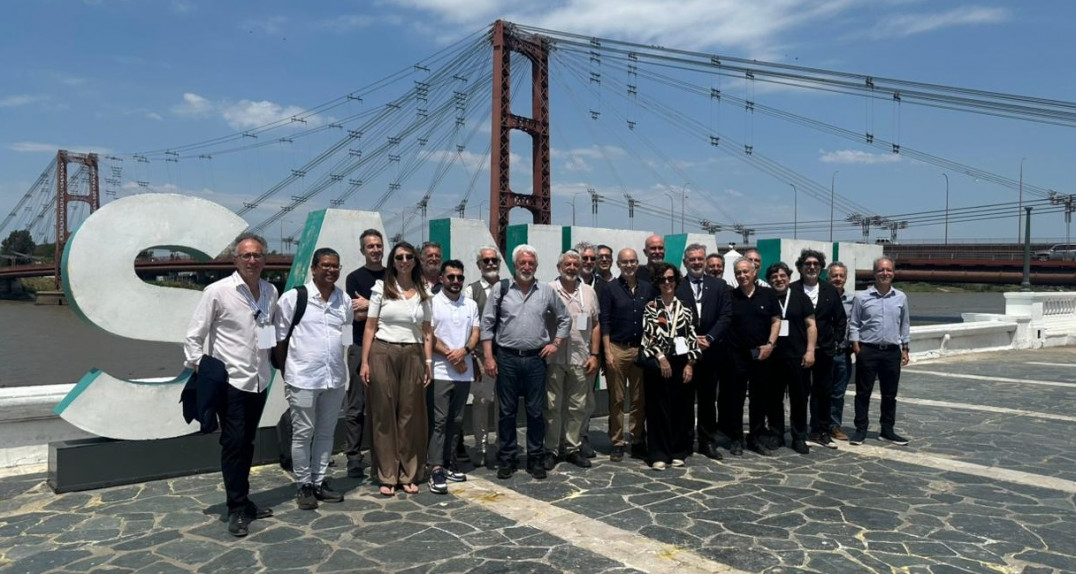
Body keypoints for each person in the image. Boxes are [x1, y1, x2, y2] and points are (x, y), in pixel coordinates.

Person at [183, 232, 278, 537]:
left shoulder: (270, 291)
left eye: (257, 255)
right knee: (233, 444)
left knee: (247, 443)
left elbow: (267, 331)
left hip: (259, 379)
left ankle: (244, 498)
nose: (252, 260)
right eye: (246, 255)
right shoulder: (217, 291)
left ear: (265, 259)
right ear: (235, 260)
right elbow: (194, 336)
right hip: (232, 382)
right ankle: (235, 507)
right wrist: (205, 369)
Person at [481, 244, 572, 480]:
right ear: (515, 265)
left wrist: (556, 344)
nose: (527, 266)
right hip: (507, 358)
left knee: (535, 411)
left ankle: (535, 458)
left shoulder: (546, 291)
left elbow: (565, 318)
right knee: (506, 411)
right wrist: (489, 357)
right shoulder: (500, 289)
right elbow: (487, 324)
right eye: (523, 262)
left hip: (535, 359)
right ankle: (507, 458)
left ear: (536, 266)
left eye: (531, 263)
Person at [275, 248, 352, 509]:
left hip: (334, 378)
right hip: (303, 378)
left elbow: (346, 336)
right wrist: (284, 369)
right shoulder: (294, 298)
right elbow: (279, 337)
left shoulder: (344, 300)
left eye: (335, 266)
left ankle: (319, 481)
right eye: (326, 265)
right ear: (314, 268)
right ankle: (304, 484)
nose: (331, 270)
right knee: (302, 433)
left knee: (326, 432)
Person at [360, 241, 433, 496]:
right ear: (393, 261)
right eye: (399, 257)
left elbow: (427, 331)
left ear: (415, 261)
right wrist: (365, 361)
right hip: (383, 351)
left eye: (409, 257)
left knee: (410, 415)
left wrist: (428, 363)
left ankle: (408, 473)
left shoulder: (424, 290)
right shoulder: (381, 288)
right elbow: (370, 327)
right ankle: (387, 473)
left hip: (413, 353)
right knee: (384, 413)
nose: (404, 261)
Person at [640, 262, 702, 470]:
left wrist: (690, 364)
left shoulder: (685, 307)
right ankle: (659, 453)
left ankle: (677, 451)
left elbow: (692, 337)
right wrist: (661, 358)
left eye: (670, 279)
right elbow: (648, 336)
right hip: (659, 362)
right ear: (657, 283)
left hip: (681, 362)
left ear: (676, 281)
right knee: (658, 409)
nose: (667, 283)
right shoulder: (651, 307)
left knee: (680, 409)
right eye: (663, 279)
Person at [543, 250, 601, 470]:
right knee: (552, 406)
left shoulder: (588, 292)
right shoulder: (548, 290)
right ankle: (552, 449)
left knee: (577, 406)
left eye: (575, 264)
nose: (572, 268)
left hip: (580, 357)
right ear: (559, 267)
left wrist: (594, 355)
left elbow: (595, 324)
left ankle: (572, 448)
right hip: (553, 358)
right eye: (567, 264)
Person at [427, 260, 480, 494]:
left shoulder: (470, 304)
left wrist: (465, 352)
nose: (456, 281)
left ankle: (449, 463)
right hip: (441, 371)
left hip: (463, 373)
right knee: (439, 420)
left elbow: (475, 333)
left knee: (456, 420)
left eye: (459, 277)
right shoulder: (432, 302)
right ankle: (436, 467)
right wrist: (453, 356)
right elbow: (428, 334)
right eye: (451, 277)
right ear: (442, 278)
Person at [718, 257, 781, 456]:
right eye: (738, 272)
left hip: (761, 354)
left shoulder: (768, 294)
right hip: (736, 355)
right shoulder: (730, 296)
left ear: (754, 273)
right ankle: (736, 438)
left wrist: (770, 344)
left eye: (746, 271)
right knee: (735, 399)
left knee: (759, 398)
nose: (742, 275)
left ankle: (755, 437)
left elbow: (776, 320)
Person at [599, 248, 655, 461]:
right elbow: (605, 320)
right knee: (617, 398)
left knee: (639, 399)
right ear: (618, 265)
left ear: (637, 263)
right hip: (617, 348)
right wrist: (607, 352)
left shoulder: (648, 288)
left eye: (632, 261)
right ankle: (617, 441)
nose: (629, 265)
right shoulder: (610, 289)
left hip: (641, 349)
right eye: (625, 262)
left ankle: (637, 439)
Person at [676, 244, 731, 461]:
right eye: (692, 259)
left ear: (705, 260)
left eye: (700, 258)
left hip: (711, 351)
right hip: (684, 352)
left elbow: (725, 316)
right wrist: (691, 340)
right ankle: (685, 440)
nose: (697, 262)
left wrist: (709, 338)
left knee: (708, 400)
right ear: (685, 262)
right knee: (684, 399)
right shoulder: (676, 285)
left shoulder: (719, 285)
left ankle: (707, 441)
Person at [848, 257, 911, 446]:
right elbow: (854, 324)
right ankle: (860, 429)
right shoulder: (862, 297)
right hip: (868, 350)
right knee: (863, 393)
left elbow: (905, 324)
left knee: (890, 394)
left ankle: (887, 430)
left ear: (893, 273)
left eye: (888, 270)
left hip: (891, 352)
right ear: (874, 273)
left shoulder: (901, 297)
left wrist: (905, 348)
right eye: (881, 270)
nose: (885, 273)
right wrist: (856, 347)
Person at [791, 249, 846, 450]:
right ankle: (798, 433)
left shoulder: (829, 291)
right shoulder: (792, 290)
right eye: (808, 264)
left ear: (821, 268)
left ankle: (820, 431)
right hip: (799, 351)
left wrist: (836, 342)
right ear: (800, 267)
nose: (812, 267)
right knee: (799, 393)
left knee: (823, 393)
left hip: (824, 350)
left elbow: (840, 319)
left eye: (816, 264)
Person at [343, 229, 385, 478]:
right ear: (362, 250)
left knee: (384, 406)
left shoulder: (393, 276)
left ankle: (382, 454)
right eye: (371, 246)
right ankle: (354, 457)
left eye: (378, 245)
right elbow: (357, 315)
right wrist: (385, 306)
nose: (375, 250)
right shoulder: (354, 278)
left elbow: (403, 309)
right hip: (360, 347)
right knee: (356, 405)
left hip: (388, 346)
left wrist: (370, 304)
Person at [764, 261, 816, 455]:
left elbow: (811, 325)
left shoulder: (801, 298)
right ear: (768, 280)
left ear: (789, 277)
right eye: (774, 277)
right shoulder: (766, 298)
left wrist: (810, 351)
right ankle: (776, 433)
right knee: (774, 398)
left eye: (782, 276)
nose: (779, 279)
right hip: (773, 358)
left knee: (799, 399)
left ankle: (799, 436)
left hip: (797, 356)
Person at [463, 245, 502, 467]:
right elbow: (468, 324)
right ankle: (481, 447)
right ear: (479, 265)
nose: (490, 264)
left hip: (506, 355)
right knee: (481, 402)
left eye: (494, 260)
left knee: (504, 403)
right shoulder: (472, 291)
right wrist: (471, 356)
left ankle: (502, 444)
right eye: (486, 261)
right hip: (480, 355)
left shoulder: (510, 287)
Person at [574, 241, 603, 459]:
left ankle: (582, 436)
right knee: (567, 399)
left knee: (587, 399)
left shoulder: (603, 285)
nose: (589, 262)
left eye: (593, 258)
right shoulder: (563, 284)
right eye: (585, 258)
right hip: (569, 351)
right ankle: (565, 438)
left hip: (593, 351)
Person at [826, 262, 855, 441]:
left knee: (838, 393)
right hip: (823, 353)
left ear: (845, 278)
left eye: (841, 276)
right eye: (834, 276)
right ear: (828, 277)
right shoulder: (821, 297)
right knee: (820, 391)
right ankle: (817, 425)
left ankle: (834, 426)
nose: (837, 279)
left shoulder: (853, 300)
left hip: (843, 353)